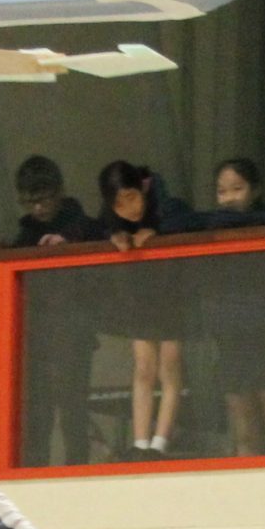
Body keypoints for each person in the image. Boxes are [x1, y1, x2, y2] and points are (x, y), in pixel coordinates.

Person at [3, 155, 105, 466]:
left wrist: (69, 244)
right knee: (36, 410)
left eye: (43, 200)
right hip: (36, 330)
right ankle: (35, 470)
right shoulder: (26, 234)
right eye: (29, 202)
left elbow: (99, 242)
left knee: (73, 408)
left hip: (72, 329)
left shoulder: (84, 227)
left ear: (59, 193)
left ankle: (77, 470)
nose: (37, 209)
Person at [195, 159, 265, 457]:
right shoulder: (213, 226)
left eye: (237, 189)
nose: (228, 198)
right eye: (221, 191)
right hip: (229, 335)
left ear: (256, 190)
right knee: (243, 428)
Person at [98, 161, 196, 457]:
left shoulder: (168, 206)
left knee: (169, 366)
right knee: (143, 368)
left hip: (173, 295)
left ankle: (161, 442)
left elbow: (191, 222)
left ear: (143, 186)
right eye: (119, 204)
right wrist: (114, 236)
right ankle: (140, 442)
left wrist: (156, 231)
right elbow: (98, 228)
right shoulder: (110, 218)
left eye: (132, 197)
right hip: (139, 296)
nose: (129, 209)